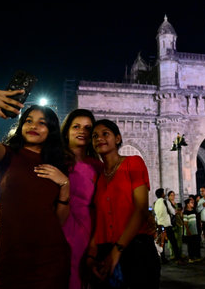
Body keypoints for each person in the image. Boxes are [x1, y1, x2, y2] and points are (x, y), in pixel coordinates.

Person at [0, 90, 70, 288]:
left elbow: (59, 221)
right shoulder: (6, 156)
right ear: (21, 126)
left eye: (42, 122)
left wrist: (65, 184)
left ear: (51, 130)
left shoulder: (58, 166)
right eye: (28, 120)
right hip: (11, 260)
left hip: (51, 261)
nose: (34, 126)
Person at [86, 119, 160, 288]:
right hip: (104, 251)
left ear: (118, 138)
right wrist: (92, 255)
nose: (99, 139)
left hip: (136, 249)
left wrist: (116, 251)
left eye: (105, 134)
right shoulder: (97, 177)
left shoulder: (133, 163)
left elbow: (141, 208)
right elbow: (98, 218)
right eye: (95, 136)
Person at [60, 109, 101, 289]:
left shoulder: (98, 166)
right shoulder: (53, 160)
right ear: (67, 130)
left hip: (87, 233)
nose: (81, 131)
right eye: (76, 126)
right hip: (57, 229)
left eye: (87, 128)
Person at [153, 188, 182, 264]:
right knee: (173, 241)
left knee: (162, 243)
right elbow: (172, 211)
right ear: (162, 194)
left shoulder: (155, 203)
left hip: (160, 225)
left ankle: (163, 259)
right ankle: (178, 258)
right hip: (167, 224)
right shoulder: (165, 201)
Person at [183, 198, 201, 263]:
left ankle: (195, 257)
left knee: (194, 244)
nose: (193, 204)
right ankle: (190, 257)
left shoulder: (194, 211)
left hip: (195, 231)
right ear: (188, 204)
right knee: (190, 245)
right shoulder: (185, 212)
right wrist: (187, 230)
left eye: (193, 202)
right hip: (189, 231)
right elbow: (185, 222)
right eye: (191, 202)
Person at [167, 191, 183, 259]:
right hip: (171, 223)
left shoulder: (176, 204)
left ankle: (179, 253)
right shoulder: (167, 204)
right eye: (171, 195)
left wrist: (179, 212)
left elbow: (179, 213)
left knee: (179, 239)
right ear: (168, 196)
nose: (173, 196)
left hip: (178, 222)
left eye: (173, 195)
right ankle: (172, 254)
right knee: (171, 240)